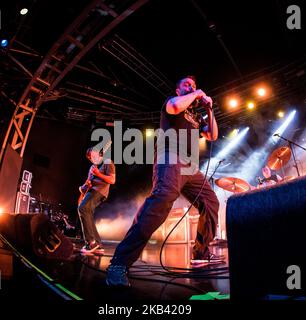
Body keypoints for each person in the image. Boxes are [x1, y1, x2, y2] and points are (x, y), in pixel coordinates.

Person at [106, 75, 220, 287]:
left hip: (190, 165)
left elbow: (212, 135)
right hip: (169, 155)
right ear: (178, 90)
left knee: (211, 202)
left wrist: (209, 108)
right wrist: (196, 93)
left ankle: (200, 254)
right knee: (162, 199)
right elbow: (175, 107)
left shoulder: (196, 115)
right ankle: (119, 263)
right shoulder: (172, 101)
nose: (191, 87)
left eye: (194, 85)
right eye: (187, 84)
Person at [78, 147, 116, 254]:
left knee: (83, 208)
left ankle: (91, 243)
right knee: (87, 213)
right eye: (90, 157)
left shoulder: (107, 162)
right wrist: (85, 186)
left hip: (99, 191)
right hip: (91, 191)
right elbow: (87, 183)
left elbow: (112, 180)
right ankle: (98, 245)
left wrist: (98, 174)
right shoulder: (92, 167)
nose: (91, 158)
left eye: (92, 155)